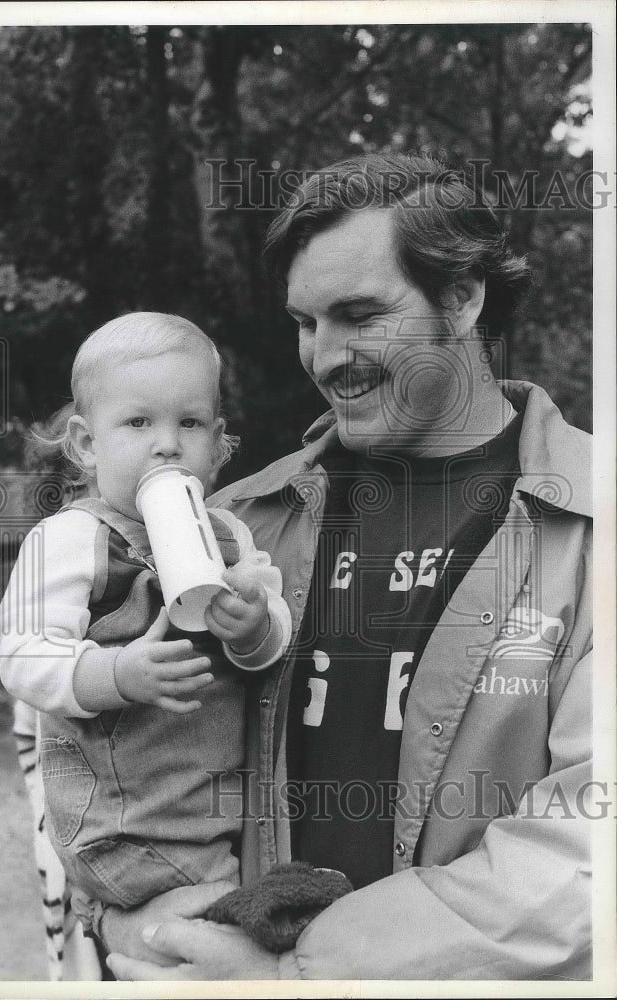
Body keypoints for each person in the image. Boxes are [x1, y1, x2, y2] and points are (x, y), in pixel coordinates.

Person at [96, 153, 592, 981]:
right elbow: (118, 746)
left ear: (463, 297)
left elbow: (583, 855)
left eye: (359, 315)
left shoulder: (592, 525)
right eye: (305, 322)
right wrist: (132, 908)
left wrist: (300, 976)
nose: (326, 358)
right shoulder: (235, 529)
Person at [0, 313, 292, 937]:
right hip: (119, 825)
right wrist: (116, 674)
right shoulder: (72, 539)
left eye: (189, 423)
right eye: (138, 422)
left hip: (211, 814)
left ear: (219, 441)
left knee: (242, 909)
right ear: (86, 443)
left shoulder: (230, 537)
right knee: (221, 931)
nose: (167, 443)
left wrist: (252, 628)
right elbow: (21, 654)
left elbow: (272, 647)